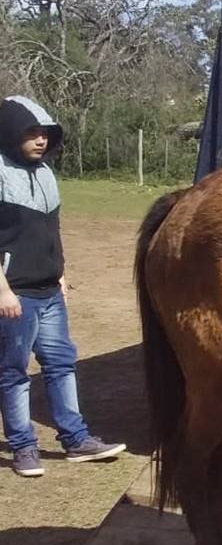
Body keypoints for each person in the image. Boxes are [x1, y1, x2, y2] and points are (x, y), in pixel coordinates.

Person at [0, 95, 125, 477]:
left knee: (60, 365)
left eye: (45, 134)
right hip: (14, 294)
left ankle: (76, 439)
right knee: (14, 371)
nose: (40, 141)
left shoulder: (46, 174)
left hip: (49, 292)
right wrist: (2, 290)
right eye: (31, 133)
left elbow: (51, 230)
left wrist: (60, 272)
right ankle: (23, 447)